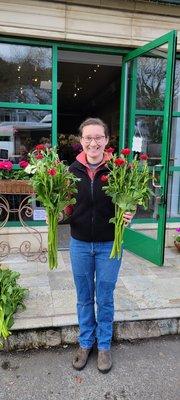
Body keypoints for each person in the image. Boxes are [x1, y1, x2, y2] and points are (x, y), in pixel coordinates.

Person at [66, 117, 134, 373]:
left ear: (106, 140)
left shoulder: (118, 170)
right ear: (81, 141)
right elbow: (68, 208)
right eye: (88, 138)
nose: (93, 142)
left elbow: (130, 200)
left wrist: (130, 212)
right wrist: (58, 211)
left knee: (104, 298)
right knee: (84, 298)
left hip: (109, 245)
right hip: (80, 244)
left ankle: (103, 345)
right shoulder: (71, 172)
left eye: (98, 137)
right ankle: (85, 343)